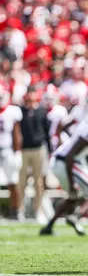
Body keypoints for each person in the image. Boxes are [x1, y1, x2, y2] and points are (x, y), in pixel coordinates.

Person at [39, 99, 88, 236]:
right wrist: (71, 181)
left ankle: (48, 227)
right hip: (66, 162)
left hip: (63, 162)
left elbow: (87, 154)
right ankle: (76, 216)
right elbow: (70, 155)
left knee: (73, 197)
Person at [18, 90, 50, 222]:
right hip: (24, 150)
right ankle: (20, 210)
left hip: (38, 149)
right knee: (21, 181)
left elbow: (46, 132)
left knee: (38, 182)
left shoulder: (41, 112)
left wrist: (50, 150)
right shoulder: (21, 112)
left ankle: (38, 210)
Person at [0, 88, 23, 220]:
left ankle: (16, 211)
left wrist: (18, 152)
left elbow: (16, 133)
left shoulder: (12, 111)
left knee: (12, 181)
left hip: (7, 149)